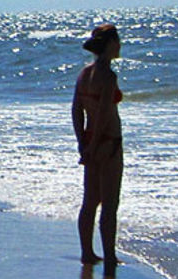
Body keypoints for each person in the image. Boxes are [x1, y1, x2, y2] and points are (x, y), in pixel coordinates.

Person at [72, 25, 126, 265]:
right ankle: (110, 257)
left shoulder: (84, 74)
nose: (120, 45)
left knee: (90, 202)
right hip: (108, 143)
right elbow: (104, 113)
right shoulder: (109, 76)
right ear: (110, 44)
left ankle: (87, 252)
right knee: (110, 204)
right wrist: (94, 147)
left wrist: (82, 143)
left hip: (91, 140)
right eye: (118, 41)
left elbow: (76, 110)